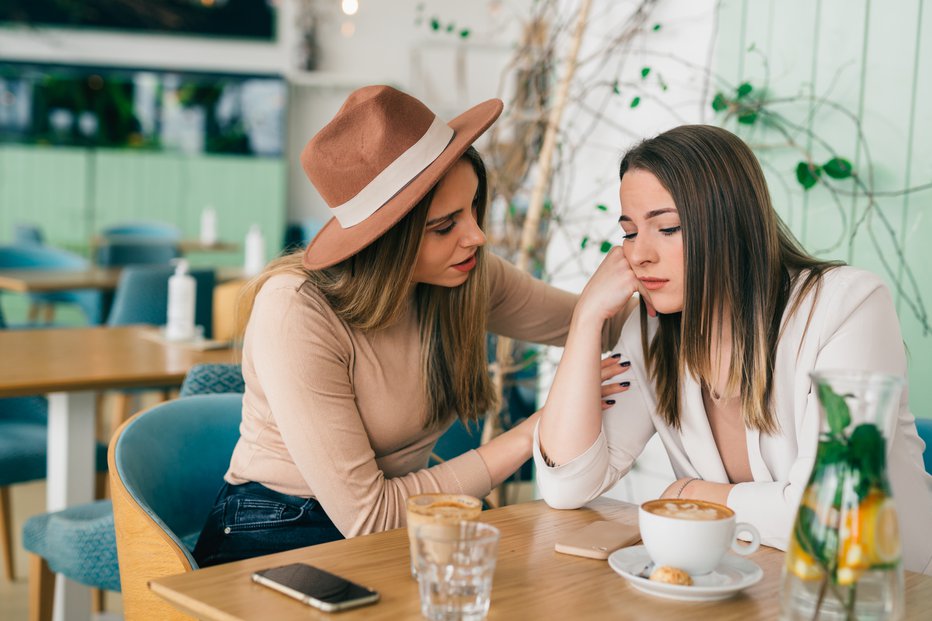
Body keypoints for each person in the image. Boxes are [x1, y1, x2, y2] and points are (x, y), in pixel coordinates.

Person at [192, 86, 633, 567]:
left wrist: (668, 285)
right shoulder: (295, 312)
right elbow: (371, 516)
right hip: (278, 530)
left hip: (399, 521)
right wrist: (542, 427)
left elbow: (604, 324)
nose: (476, 236)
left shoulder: (464, 274)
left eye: (473, 209)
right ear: (386, 241)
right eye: (444, 226)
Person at [534, 124, 932, 574]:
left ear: (730, 224)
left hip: (888, 594)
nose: (639, 254)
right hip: (756, 592)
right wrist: (587, 319)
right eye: (629, 232)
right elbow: (567, 486)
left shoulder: (848, 305)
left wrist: (692, 495)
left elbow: (835, 517)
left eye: (667, 228)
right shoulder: (648, 331)